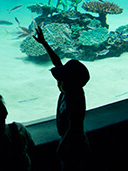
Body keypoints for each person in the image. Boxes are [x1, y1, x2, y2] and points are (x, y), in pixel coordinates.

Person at [33, 27, 90, 170]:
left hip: (74, 145)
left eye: (61, 80)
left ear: (70, 83)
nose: (58, 82)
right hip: (68, 139)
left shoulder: (75, 99)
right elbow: (57, 62)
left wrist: (62, 146)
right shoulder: (71, 88)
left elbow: (73, 127)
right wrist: (44, 43)